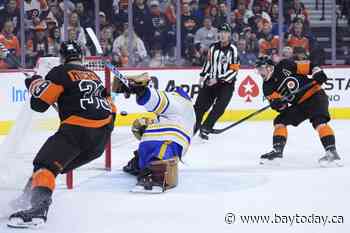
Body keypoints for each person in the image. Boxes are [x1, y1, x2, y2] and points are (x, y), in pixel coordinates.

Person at [7, 40, 116, 228]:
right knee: (50, 168)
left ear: (62, 58)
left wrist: (33, 84)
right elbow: (111, 109)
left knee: (45, 166)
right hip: (101, 140)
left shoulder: (59, 72)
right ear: (81, 57)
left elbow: (40, 104)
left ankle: (38, 209)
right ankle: (26, 198)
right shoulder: (94, 76)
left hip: (76, 131)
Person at [112, 72, 195, 193]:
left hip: (166, 142)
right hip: (173, 144)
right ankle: (144, 166)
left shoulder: (179, 102)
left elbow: (155, 99)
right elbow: (156, 121)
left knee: (159, 153)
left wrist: (140, 90)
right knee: (155, 152)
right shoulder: (184, 116)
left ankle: (150, 172)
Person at [255, 56, 342, 166]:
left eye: (261, 69)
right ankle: (277, 151)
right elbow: (283, 107)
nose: (259, 72)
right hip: (299, 105)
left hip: (315, 96)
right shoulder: (267, 87)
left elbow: (311, 66)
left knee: (319, 122)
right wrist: (278, 105)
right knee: (279, 121)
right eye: (258, 70)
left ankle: (332, 152)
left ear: (269, 67)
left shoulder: (284, 65)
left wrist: (318, 73)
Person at [194, 23, 240, 140]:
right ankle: (193, 127)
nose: (223, 35)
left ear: (229, 34)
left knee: (219, 107)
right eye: (220, 32)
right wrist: (202, 75)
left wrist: (218, 79)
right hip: (210, 82)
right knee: (199, 107)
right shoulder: (213, 47)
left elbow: (234, 71)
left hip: (226, 84)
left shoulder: (233, 50)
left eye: (225, 32)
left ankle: (206, 128)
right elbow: (208, 63)